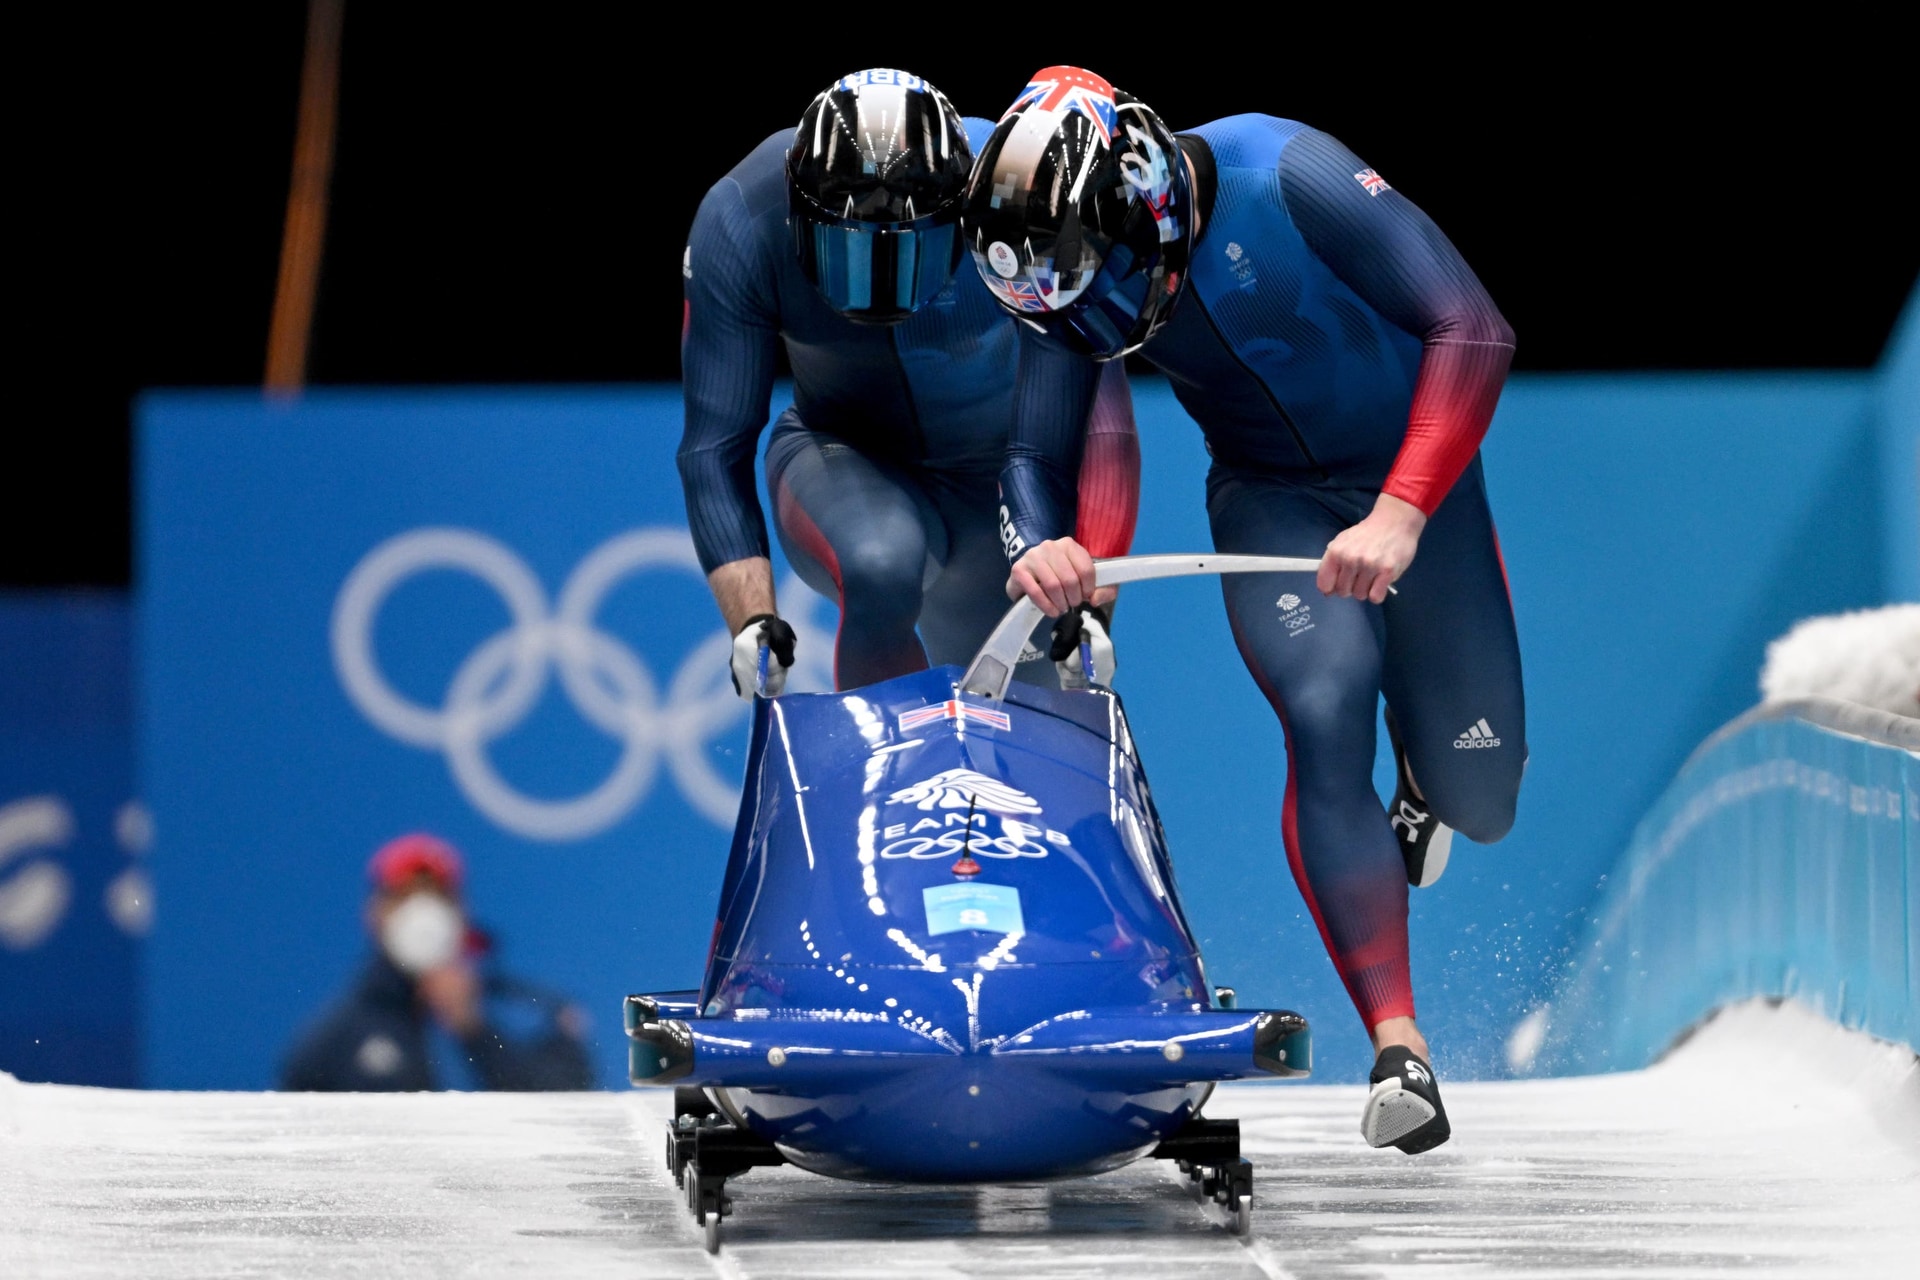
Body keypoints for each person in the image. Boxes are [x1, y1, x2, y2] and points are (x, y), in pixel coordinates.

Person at [964, 66, 1526, 1154]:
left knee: (1484, 790)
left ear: (1151, 202)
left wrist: (1406, 509)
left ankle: (1428, 785)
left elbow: (1473, 328)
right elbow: (1034, 452)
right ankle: (1399, 1044)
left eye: (1114, 290)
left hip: (1418, 483)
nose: (1104, 326)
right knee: (1325, 706)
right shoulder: (1060, 268)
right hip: (1271, 501)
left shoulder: (1289, 173)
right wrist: (1040, 543)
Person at [678, 68, 1137, 698]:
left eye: (909, 251)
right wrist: (753, 619)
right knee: (878, 563)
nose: (881, 288)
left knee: (1027, 707)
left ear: (966, 213)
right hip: (844, 459)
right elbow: (714, 446)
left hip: (1009, 479)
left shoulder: (1025, 194)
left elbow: (1101, 413)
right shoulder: (740, 218)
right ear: (799, 220)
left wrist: (1090, 598)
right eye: (853, 253)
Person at [280, 833, 593, 1092]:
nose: (422, 914)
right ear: (374, 913)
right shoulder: (336, 1039)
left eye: (438, 897)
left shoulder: (528, 1010)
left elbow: (573, 1104)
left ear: (462, 911)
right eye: (405, 897)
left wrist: (475, 1031)